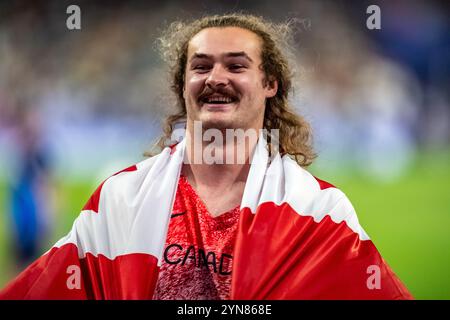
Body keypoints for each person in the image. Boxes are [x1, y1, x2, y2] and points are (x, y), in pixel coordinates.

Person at [0, 13, 412, 300]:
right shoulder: (119, 200)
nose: (216, 78)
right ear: (183, 84)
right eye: (201, 66)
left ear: (270, 83)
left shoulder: (320, 210)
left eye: (236, 66)